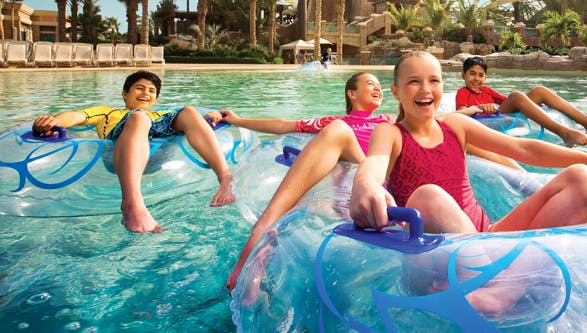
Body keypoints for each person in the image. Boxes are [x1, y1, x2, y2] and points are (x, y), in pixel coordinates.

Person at [349, 51, 587, 311]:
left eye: (434, 81)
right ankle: (500, 282)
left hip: (484, 237)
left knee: (584, 179)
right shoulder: (391, 133)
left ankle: (503, 291)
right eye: (414, 82)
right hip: (433, 254)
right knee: (428, 196)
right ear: (396, 91)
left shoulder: (456, 125)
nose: (425, 90)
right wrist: (365, 185)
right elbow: (373, 164)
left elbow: (523, 149)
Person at [223, 72, 520, 292]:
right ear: (351, 94)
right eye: (369, 83)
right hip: (358, 165)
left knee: (452, 135)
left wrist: (468, 112)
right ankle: (260, 236)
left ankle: (521, 176)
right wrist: (237, 120)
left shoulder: (390, 122)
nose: (377, 87)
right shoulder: (336, 123)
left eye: (379, 85)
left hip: (381, 171)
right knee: (339, 130)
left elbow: (434, 119)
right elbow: (284, 125)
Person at [32, 70, 234, 234]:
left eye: (152, 91)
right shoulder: (107, 112)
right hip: (121, 153)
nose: (146, 93)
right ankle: (131, 203)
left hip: (158, 156)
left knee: (189, 111)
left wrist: (209, 117)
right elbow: (76, 116)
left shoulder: (161, 114)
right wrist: (53, 122)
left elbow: (196, 124)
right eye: (139, 88)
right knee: (138, 117)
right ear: (124, 93)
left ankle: (225, 177)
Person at [455, 55, 587, 147]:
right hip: (485, 123)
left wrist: (532, 104)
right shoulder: (463, 92)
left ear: (485, 77)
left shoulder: (486, 90)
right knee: (517, 95)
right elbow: (461, 113)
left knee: (539, 91)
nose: (476, 79)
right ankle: (564, 133)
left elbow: (509, 102)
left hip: (499, 116)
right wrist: (480, 107)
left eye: (480, 75)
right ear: (463, 75)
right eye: (472, 74)